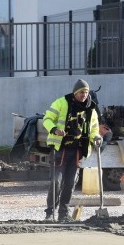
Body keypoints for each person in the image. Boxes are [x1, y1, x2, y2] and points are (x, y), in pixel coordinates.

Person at [42, 79, 102, 221]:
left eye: (86, 92)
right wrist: (54, 129)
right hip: (60, 149)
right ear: (75, 92)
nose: (84, 95)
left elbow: (94, 128)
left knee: (70, 183)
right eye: (81, 92)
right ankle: (50, 213)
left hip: (77, 151)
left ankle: (64, 213)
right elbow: (47, 119)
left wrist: (97, 137)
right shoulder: (61, 103)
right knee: (56, 182)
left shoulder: (91, 108)